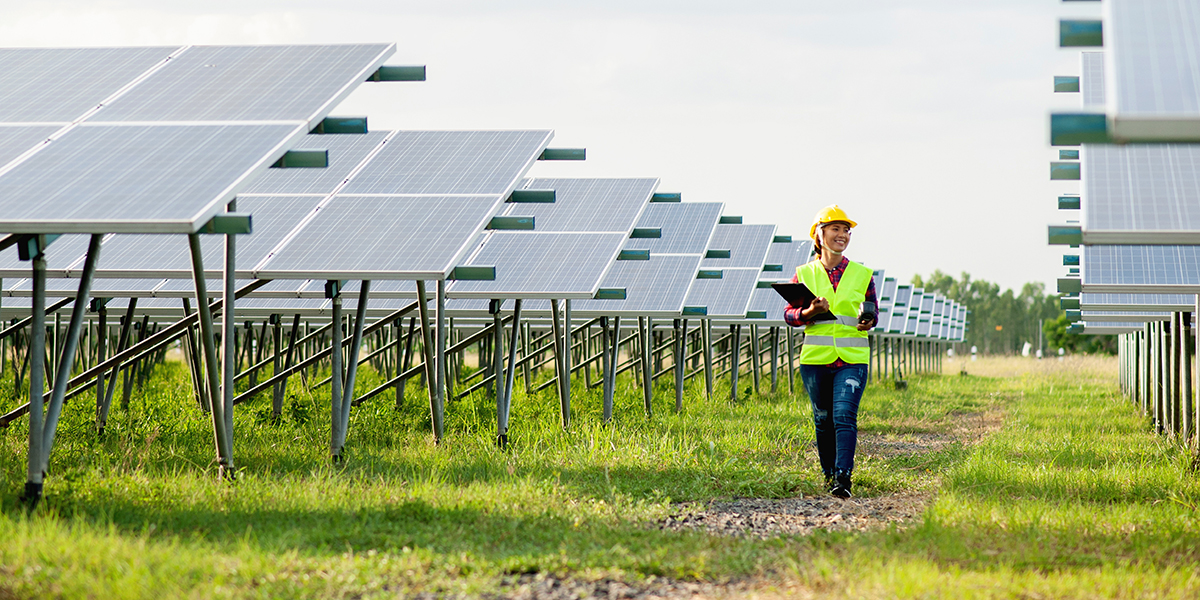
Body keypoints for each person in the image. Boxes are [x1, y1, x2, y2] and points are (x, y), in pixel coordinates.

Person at [784, 205, 877, 499]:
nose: (842, 235)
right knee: (823, 418)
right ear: (819, 234)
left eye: (846, 230)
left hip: (852, 359)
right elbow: (789, 315)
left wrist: (869, 321)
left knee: (844, 414)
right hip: (815, 361)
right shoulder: (803, 274)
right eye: (835, 229)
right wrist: (811, 310)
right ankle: (828, 475)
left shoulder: (863, 275)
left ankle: (843, 478)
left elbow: (873, 314)